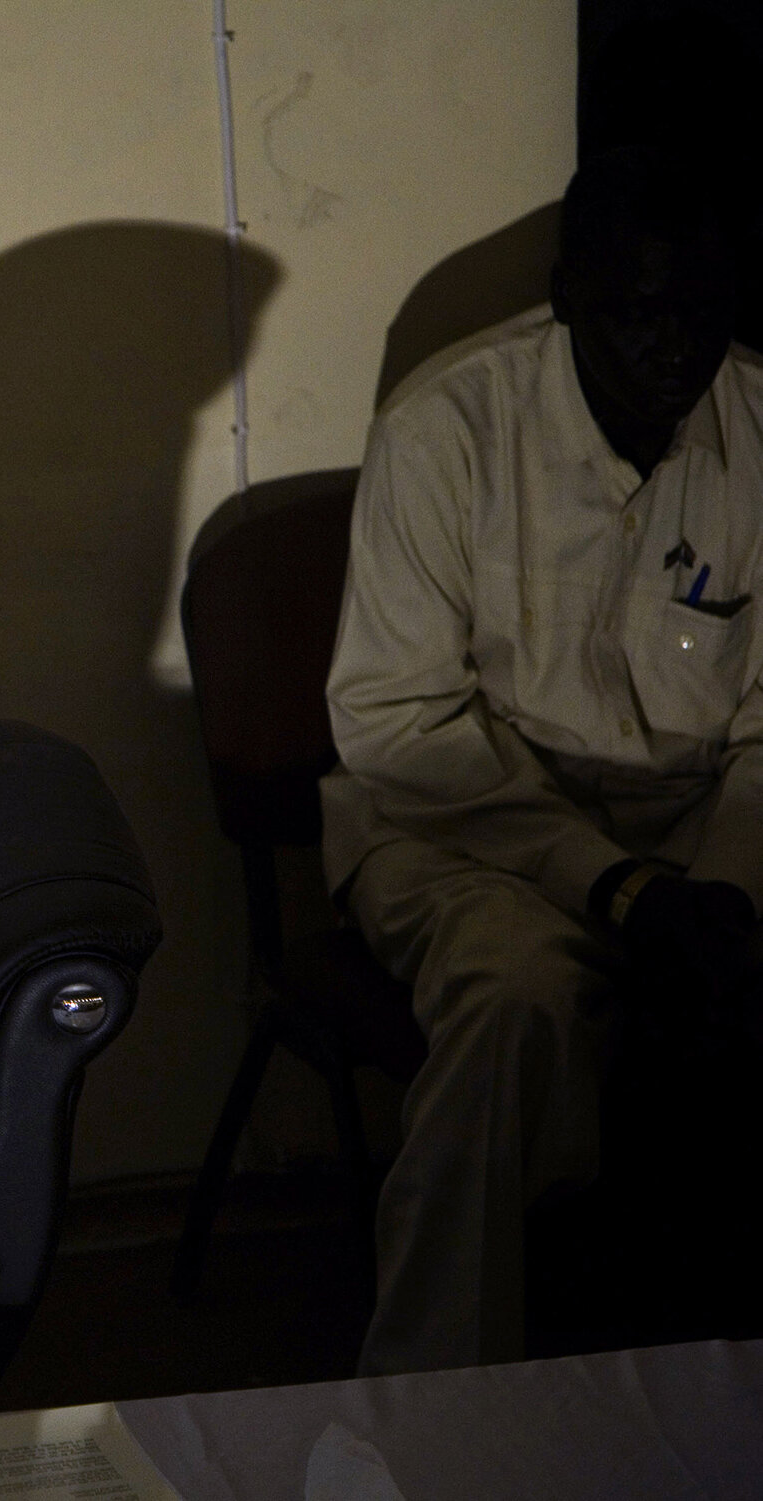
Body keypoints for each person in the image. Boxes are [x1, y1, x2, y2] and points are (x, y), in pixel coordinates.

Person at [323, 145, 763, 1377]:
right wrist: (620, 892)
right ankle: (430, 1406)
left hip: (689, 826)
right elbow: (399, 730)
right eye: (633, 314)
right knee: (516, 1000)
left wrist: (717, 896)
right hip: (454, 830)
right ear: (567, 295)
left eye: (701, 314)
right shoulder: (445, 430)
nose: (671, 351)